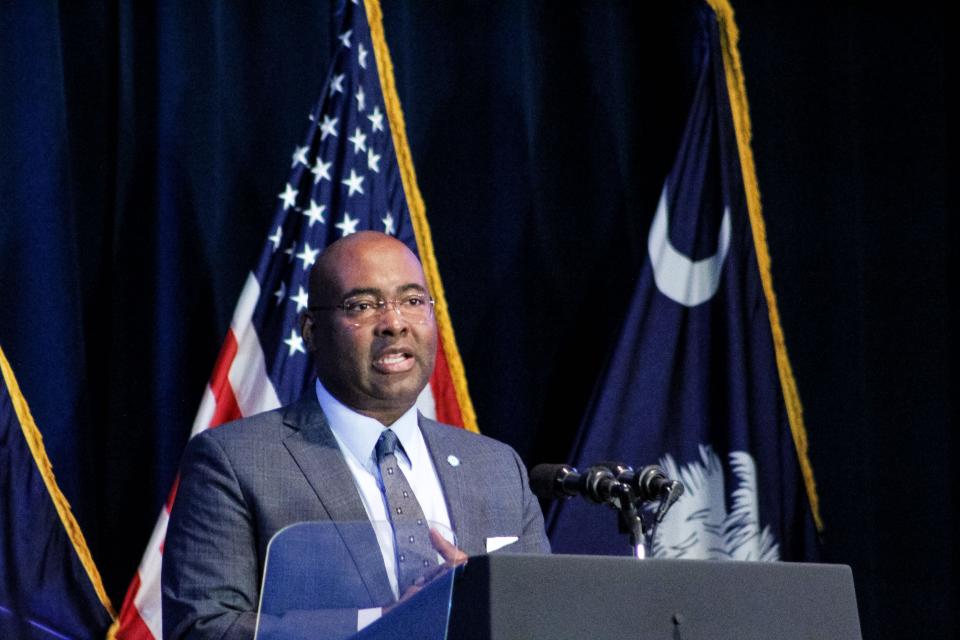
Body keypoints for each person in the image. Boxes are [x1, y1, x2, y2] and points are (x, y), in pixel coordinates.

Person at [161, 231, 550, 639]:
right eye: (363, 306)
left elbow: (545, 621)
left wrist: (482, 600)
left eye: (413, 301)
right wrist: (381, 623)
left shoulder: (497, 467)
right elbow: (203, 629)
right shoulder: (235, 462)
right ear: (311, 331)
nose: (395, 324)